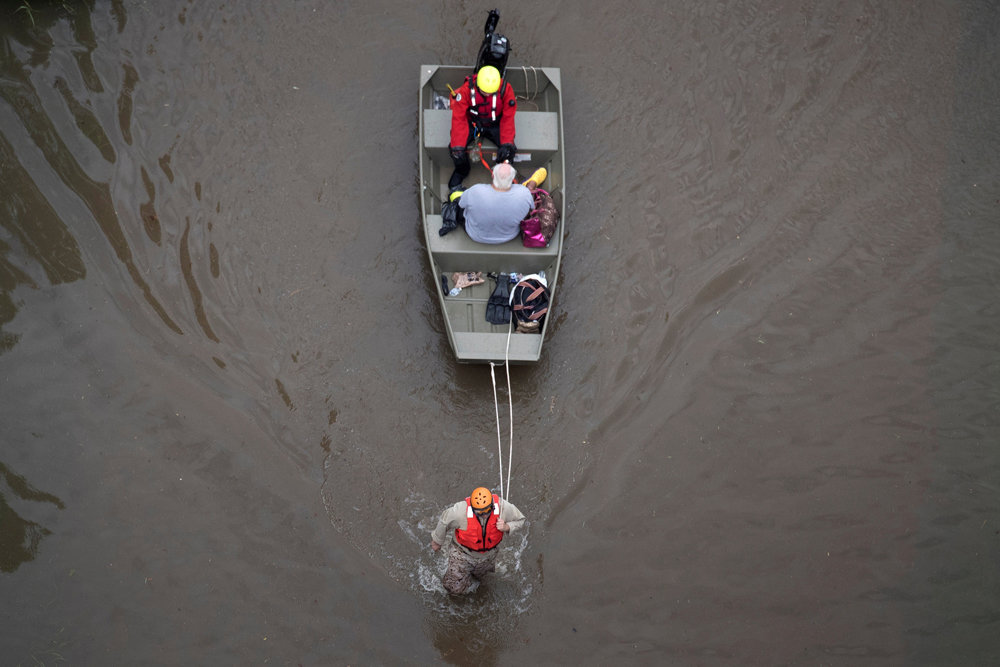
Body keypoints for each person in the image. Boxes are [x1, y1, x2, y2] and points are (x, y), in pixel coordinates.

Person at [430, 486, 526, 595]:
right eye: (481, 513)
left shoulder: (503, 507)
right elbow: (444, 521)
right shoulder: (460, 511)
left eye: (487, 512)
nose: (484, 515)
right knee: (453, 588)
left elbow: (520, 520)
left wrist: (506, 527)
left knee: (483, 582)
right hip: (462, 554)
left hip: (488, 555)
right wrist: (437, 541)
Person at [448, 64, 518, 189]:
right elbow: (459, 118)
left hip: (495, 124)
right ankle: (462, 170)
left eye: (490, 93)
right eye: (484, 92)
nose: (487, 95)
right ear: (478, 85)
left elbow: (508, 118)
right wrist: (457, 146)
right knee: (456, 151)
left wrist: (507, 143)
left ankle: (503, 173)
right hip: (473, 123)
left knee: (508, 150)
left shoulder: (506, 90)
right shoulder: (465, 91)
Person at [456, 162, 534, 244]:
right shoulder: (525, 193)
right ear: (512, 178)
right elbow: (532, 208)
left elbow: (461, 204)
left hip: (476, 235)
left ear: (493, 175)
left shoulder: (475, 190)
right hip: (509, 236)